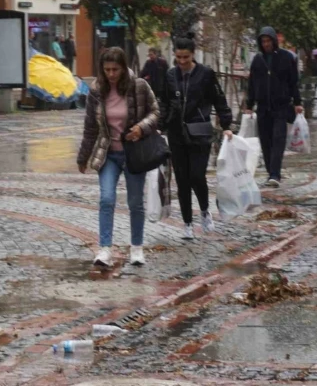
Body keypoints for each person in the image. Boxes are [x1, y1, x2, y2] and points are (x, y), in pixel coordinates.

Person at [76, 47, 159, 267]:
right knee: (106, 199)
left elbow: (155, 112)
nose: (111, 74)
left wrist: (141, 128)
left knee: (135, 202)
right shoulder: (96, 91)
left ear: (123, 68)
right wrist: (83, 157)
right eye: (107, 70)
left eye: (115, 69)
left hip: (133, 153)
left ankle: (137, 248)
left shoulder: (139, 86)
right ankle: (104, 249)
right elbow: (90, 127)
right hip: (108, 154)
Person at [158, 33, 233, 240]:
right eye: (179, 57)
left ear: (193, 55)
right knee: (182, 180)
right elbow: (163, 102)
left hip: (199, 132)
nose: (182, 62)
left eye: (186, 58)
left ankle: (205, 210)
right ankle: (187, 223)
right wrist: (159, 126)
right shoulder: (170, 75)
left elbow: (220, 100)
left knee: (196, 175)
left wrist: (226, 124)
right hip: (176, 133)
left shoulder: (206, 74)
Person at [244, 26, 303, 188]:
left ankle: (275, 174)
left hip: (281, 106)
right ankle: (271, 172)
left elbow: (293, 82)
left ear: (274, 41)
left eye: (268, 41)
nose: (266, 44)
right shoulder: (258, 60)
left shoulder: (286, 58)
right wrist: (249, 105)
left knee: (278, 139)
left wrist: (297, 102)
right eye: (263, 41)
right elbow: (252, 84)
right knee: (266, 141)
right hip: (263, 107)